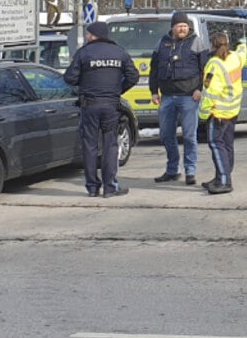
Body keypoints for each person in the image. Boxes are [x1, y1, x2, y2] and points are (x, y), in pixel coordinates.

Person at [63, 21, 139, 198]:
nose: (87, 36)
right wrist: (118, 90)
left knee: (89, 146)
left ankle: (92, 187)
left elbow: (70, 78)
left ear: (93, 35)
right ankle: (110, 187)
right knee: (110, 145)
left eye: (89, 33)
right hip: (111, 105)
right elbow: (133, 76)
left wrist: (85, 82)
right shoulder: (119, 52)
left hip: (89, 105)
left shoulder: (84, 53)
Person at [148, 10, 208, 185]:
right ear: (172, 27)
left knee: (189, 136)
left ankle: (190, 171)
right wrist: (154, 91)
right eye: (179, 26)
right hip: (167, 97)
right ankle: (172, 170)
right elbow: (154, 69)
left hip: (189, 96)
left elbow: (205, 69)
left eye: (184, 26)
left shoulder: (197, 42)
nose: (182, 29)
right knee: (166, 135)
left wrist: (200, 89)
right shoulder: (162, 43)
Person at [198, 32, 247, 195]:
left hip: (218, 113)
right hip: (232, 111)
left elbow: (209, 93)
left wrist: (203, 114)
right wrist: (242, 42)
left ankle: (225, 181)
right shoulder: (234, 57)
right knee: (227, 145)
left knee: (216, 145)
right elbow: (243, 52)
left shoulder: (214, 64)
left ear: (212, 45)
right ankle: (221, 176)